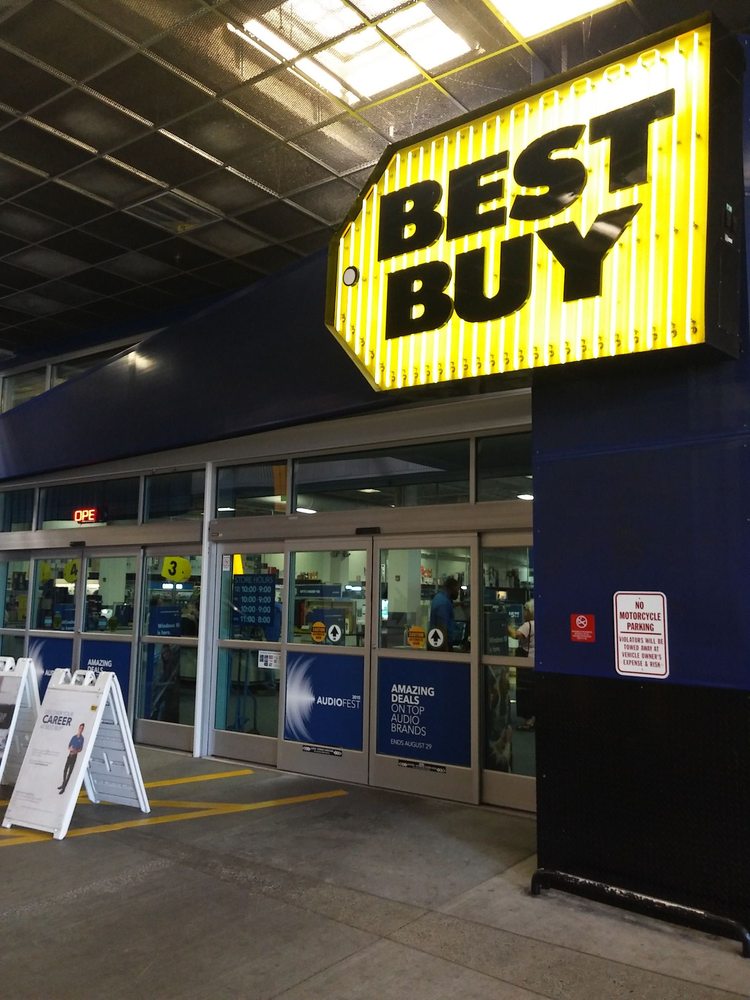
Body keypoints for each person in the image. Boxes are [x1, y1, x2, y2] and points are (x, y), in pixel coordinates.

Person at [508, 599, 535, 730]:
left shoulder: (528, 625)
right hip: (534, 662)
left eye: (526, 610)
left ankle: (528, 720)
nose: (524, 613)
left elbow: (516, 635)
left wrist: (505, 626)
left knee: (525, 692)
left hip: (526, 663)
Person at [429, 576, 459, 650]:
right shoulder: (443, 603)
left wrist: (460, 604)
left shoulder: (440, 598)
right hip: (442, 644)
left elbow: (448, 607)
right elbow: (442, 627)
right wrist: (446, 650)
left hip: (437, 642)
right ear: (452, 588)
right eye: (457, 589)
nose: (458, 592)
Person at [58, 723, 84, 794]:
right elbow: (69, 746)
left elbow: (80, 749)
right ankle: (63, 784)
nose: (81, 729)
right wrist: (70, 748)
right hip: (70, 755)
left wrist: (76, 750)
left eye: (82, 728)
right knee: (65, 770)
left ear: (83, 730)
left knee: (69, 772)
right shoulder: (74, 737)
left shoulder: (81, 739)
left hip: (74, 756)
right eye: (80, 728)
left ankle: (64, 788)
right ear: (78, 728)